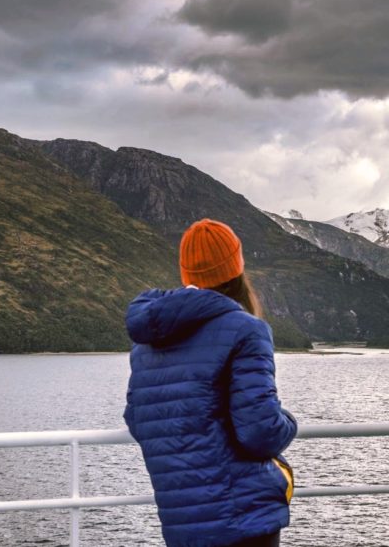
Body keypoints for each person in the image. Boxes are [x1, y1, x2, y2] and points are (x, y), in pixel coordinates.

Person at [123, 218, 297, 547]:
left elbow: (138, 420)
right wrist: (289, 422)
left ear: (186, 271)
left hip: (182, 525)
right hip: (243, 520)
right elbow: (261, 431)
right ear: (235, 267)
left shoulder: (148, 338)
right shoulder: (246, 329)